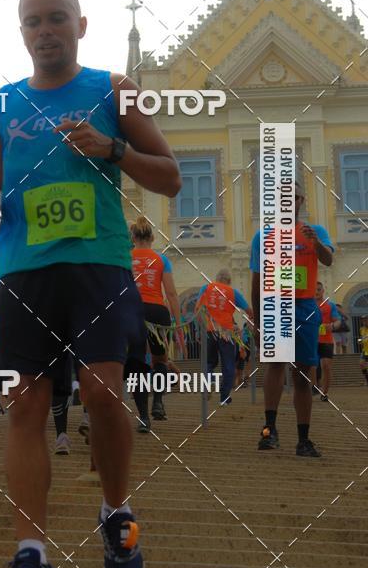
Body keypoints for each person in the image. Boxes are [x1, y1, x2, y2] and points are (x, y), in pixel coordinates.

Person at [0, 0, 181, 568]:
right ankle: (30, 557)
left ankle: (116, 515)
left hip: (98, 264)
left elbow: (169, 177)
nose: (45, 32)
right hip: (24, 272)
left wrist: (112, 147)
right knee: (26, 408)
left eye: (57, 19)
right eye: (33, 23)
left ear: (81, 26)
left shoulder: (113, 90)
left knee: (103, 392)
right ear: (22, 33)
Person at [251, 181, 334, 458]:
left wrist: (317, 243)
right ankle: (269, 431)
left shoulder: (315, 231)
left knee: (302, 374)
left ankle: (303, 440)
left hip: (306, 307)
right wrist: (258, 322)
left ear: (301, 200)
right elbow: (257, 281)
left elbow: (329, 260)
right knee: (275, 366)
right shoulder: (263, 236)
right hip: (275, 306)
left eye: (293, 196)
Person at [130, 216, 184, 425]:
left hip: (133, 311)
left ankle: (143, 416)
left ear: (133, 237)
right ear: (152, 237)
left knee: (135, 363)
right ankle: (158, 402)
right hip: (158, 312)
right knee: (160, 360)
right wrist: (178, 323)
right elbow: (171, 293)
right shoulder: (162, 259)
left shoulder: (126, 257)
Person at [194, 269, 253, 405]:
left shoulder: (206, 288)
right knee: (228, 365)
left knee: (209, 362)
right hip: (227, 333)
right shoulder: (233, 292)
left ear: (216, 279)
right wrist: (252, 320)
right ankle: (224, 397)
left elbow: (197, 309)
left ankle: (209, 383)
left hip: (210, 330)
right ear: (229, 281)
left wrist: (199, 330)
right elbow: (248, 310)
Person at [312, 281, 341, 403]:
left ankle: (324, 392)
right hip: (311, 340)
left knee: (326, 366)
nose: (317, 292)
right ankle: (312, 388)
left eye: (319, 289)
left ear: (323, 291)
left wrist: (333, 326)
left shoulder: (330, 305)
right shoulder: (307, 306)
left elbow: (338, 321)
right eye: (315, 290)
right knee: (311, 367)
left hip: (326, 340)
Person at [359, 317, 368, 386]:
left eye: (366, 320)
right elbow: (362, 338)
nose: (364, 322)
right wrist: (360, 341)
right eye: (363, 320)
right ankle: (366, 379)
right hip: (365, 350)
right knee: (362, 364)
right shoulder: (361, 329)